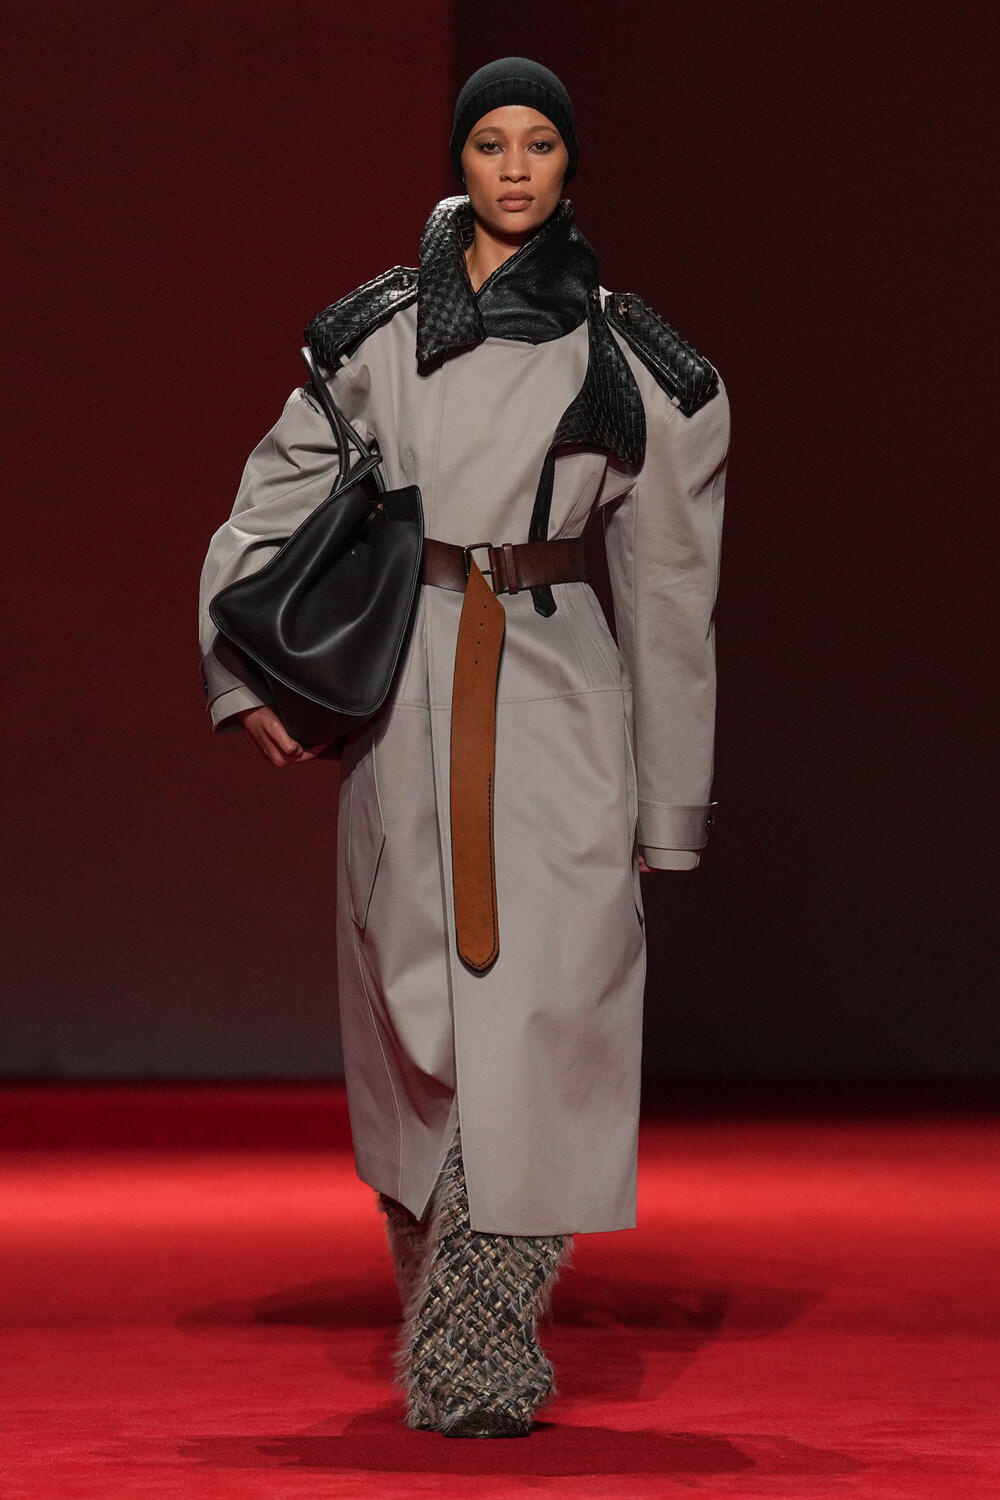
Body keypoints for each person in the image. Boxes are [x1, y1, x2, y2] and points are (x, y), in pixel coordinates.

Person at [198, 56, 731, 1437]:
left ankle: (478, 1345)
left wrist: (669, 805)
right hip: (411, 683)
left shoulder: (632, 361)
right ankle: (454, 1308)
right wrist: (239, 669)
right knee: (415, 1003)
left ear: (568, 166)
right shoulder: (381, 336)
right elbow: (273, 500)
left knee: (552, 1002)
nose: (513, 168)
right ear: (460, 160)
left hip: (558, 686)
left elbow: (672, 594)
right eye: (490, 142)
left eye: (538, 143)